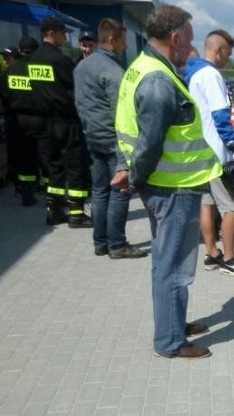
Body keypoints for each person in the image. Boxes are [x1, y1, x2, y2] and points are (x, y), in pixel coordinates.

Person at [114, 4, 222, 358]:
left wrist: (132, 173)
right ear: (174, 38)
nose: (191, 48)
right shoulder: (159, 81)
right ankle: (171, 342)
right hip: (173, 188)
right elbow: (150, 141)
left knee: (165, 261)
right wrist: (138, 178)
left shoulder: (144, 67)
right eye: (189, 40)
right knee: (175, 268)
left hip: (166, 186)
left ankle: (174, 323)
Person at [74, 18, 146, 259]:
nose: (125, 46)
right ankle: (117, 244)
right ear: (112, 40)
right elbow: (122, 112)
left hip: (92, 136)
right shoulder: (114, 72)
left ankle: (101, 241)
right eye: (124, 41)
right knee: (120, 190)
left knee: (99, 191)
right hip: (113, 139)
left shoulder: (81, 67)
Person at [184, 29, 234, 278]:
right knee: (232, 205)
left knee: (208, 204)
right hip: (217, 152)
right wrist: (233, 147)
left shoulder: (191, 74)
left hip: (201, 152)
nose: (228, 59)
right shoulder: (211, 74)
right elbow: (220, 115)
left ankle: (212, 253)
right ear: (218, 50)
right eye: (227, 53)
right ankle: (229, 258)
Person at [26, 17, 92, 227]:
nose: (65, 37)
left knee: (52, 167)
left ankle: (53, 211)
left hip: (42, 122)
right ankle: (76, 213)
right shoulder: (60, 60)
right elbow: (74, 91)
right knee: (75, 165)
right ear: (52, 32)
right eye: (63, 33)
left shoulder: (33, 59)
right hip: (64, 121)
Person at [0, 40, 40, 206]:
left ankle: (25, 190)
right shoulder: (33, 71)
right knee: (37, 154)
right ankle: (41, 187)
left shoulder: (6, 74)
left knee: (20, 157)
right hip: (36, 119)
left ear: (15, 56)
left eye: (7, 57)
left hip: (15, 121)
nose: (5, 61)